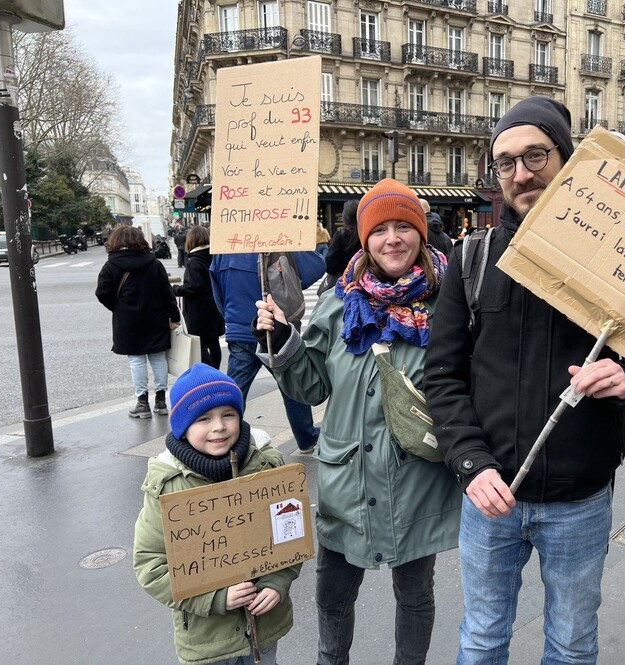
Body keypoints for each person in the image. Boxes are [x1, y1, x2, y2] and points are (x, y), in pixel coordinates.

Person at [423, 96, 625, 665]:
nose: (521, 173)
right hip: (490, 495)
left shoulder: (619, 260)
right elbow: (443, 377)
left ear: (567, 157)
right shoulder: (471, 261)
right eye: (505, 162)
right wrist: (470, 464)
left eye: (535, 155)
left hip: (579, 499)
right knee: (481, 640)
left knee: (573, 644)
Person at [255, 178, 460, 665]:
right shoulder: (337, 301)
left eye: (404, 227)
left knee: (414, 597)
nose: (392, 239)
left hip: (417, 481)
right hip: (347, 483)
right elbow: (312, 387)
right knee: (332, 598)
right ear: (365, 239)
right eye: (380, 229)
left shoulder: (450, 302)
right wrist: (283, 340)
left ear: (421, 235)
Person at [133, 363, 302, 665]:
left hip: (264, 628)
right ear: (182, 427)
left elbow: (290, 536)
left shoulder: (267, 466)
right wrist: (214, 598)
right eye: (203, 418)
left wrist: (277, 582)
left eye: (229, 414)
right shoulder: (167, 486)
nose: (219, 427)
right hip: (207, 640)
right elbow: (151, 565)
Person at [209, 251, 320, 453]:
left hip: (239, 328)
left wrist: (231, 319)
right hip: (272, 326)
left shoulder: (225, 249)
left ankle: (222, 441)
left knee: (234, 391)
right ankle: (306, 438)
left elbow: (217, 290)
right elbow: (316, 266)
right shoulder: (275, 242)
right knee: (292, 383)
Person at [95, 225, 180, 418]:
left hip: (127, 320)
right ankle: (160, 401)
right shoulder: (154, 263)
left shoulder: (111, 265)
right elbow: (167, 293)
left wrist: (117, 306)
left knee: (136, 359)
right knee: (158, 357)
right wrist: (174, 317)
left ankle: (142, 403)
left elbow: (102, 293)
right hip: (156, 317)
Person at [173, 225, 225, 369]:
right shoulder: (215, 257)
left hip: (199, 310)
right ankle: (217, 371)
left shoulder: (194, 262)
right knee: (214, 343)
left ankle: (210, 374)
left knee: (200, 345)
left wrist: (176, 289)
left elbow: (193, 287)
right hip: (215, 306)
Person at [322, 199, 362, 293]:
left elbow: (330, 266)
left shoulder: (341, 235)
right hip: (366, 284)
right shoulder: (369, 235)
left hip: (344, 285)